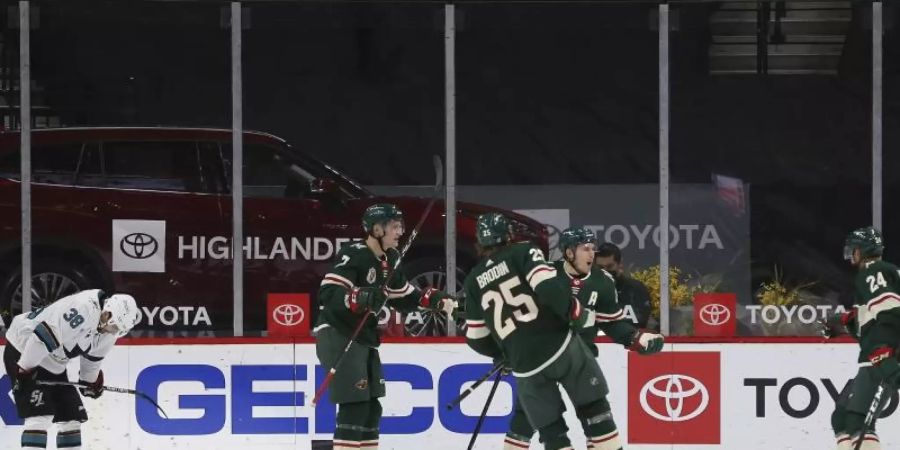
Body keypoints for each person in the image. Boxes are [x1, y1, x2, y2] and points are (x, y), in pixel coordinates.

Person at [463, 214, 663, 450]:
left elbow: (611, 323)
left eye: (592, 248)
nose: (591, 254)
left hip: (546, 357)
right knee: (527, 419)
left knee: (585, 421)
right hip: (564, 350)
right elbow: (542, 293)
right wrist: (576, 313)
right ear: (569, 252)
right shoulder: (542, 267)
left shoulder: (603, 282)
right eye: (585, 248)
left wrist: (635, 337)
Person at [314, 203, 457, 450]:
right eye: (394, 226)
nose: (400, 231)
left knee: (371, 407)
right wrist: (359, 297)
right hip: (339, 333)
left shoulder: (390, 259)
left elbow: (404, 298)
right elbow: (329, 294)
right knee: (355, 404)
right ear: (377, 229)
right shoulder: (355, 254)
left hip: (364, 337)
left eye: (401, 226)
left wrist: (433, 300)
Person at [3, 289, 139, 450]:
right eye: (114, 326)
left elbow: (92, 362)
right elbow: (41, 338)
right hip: (23, 349)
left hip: (54, 364)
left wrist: (90, 383)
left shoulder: (110, 332)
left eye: (118, 330)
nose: (114, 331)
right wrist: (24, 370)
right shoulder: (82, 308)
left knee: (71, 419)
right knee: (40, 416)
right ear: (107, 314)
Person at [823, 227, 900, 450]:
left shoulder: (873, 272)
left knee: (857, 420)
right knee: (840, 417)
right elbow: (870, 321)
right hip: (872, 355)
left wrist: (884, 349)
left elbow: (890, 311)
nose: (851, 254)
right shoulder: (877, 273)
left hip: (878, 355)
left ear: (862, 250)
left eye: (853, 249)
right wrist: (843, 323)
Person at [594, 242, 653, 329]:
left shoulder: (636, 289)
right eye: (600, 268)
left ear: (620, 264)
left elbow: (641, 322)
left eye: (609, 266)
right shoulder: (589, 289)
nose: (605, 272)